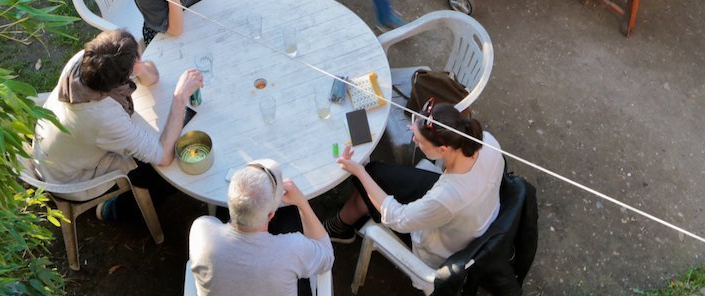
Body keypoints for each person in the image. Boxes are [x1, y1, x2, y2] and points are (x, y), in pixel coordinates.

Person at [31, 30, 201, 223]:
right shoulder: (102, 117)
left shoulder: (88, 62)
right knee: (168, 173)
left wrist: (138, 67)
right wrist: (179, 99)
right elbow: (163, 156)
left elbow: (152, 76)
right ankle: (115, 210)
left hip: (57, 152)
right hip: (71, 178)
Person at [326, 102, 505, 270]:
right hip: (475, 213)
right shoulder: (487, 141)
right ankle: (350, 216)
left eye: (418, 141)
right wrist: (420, 127)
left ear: (443, 149)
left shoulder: (445, 198)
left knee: (367, 179)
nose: (413, 140)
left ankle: (340, 225)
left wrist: (359, 172)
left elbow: (398, 218)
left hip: (440, 246)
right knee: (374, 173)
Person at [188, 159, 334, 296]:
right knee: (290, 214)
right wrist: (302, 203)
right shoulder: (293, 249)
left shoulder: (201, 231)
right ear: (270, 215)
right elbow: (327, 257)